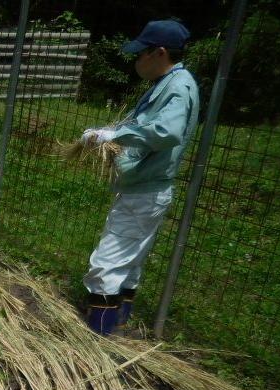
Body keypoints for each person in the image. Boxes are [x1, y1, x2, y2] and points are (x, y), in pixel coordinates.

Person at [80, 19, 200, 335]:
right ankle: (118, 323)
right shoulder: (169, 83)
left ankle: (98, 336)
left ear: (159, 53)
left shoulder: (178, 86)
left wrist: (115, 134)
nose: (137, 61)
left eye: (140, 54)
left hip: (145, 191)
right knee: (130, 262)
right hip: (146, 187)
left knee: (107, 262)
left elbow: (167, 131)